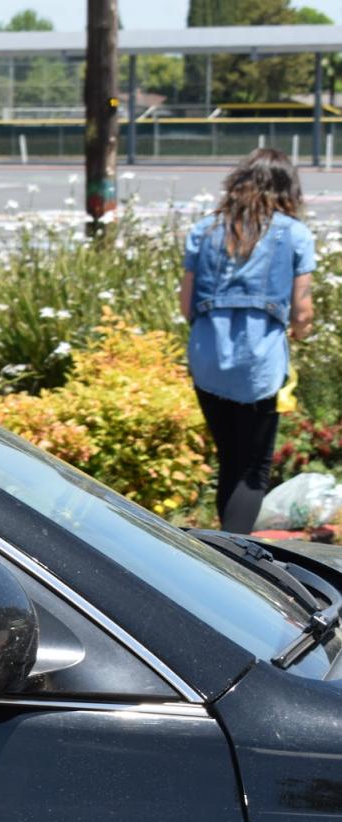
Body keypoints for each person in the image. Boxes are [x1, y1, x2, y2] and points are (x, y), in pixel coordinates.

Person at [180, 147, 315, 535]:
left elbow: (186, 304)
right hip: (260, 362)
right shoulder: (294, 234)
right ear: (287, 189)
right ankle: (231, 556)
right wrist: (299, 332)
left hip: (207, 356)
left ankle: (224, 547)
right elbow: (301, 310)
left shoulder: (203, 230)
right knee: (254, 468)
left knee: (230, 458)